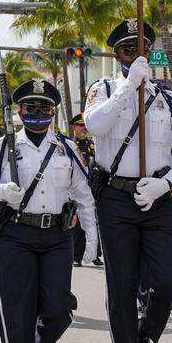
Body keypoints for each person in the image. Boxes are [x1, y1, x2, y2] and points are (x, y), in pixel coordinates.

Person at [83, 19, 172, 343]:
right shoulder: (104, 90)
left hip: (156, 199)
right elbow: (95, 126)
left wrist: (168, 183)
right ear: (118, 56)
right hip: (116, 198)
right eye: (129, 50)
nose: (136, 55)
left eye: (142, 48)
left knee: (168, 281)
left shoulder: (168, 99)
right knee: (122, 289)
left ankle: (144, 334)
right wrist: (130, 86)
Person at [0, 78, 98, 343]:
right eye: (31, 107)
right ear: (19, 111)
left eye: (45, 108)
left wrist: (92, 238)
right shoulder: (2, 146)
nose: (38, 113)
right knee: (17, 316)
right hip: (14, 237)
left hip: (56, 237)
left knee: (58, 308)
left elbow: (84, 194)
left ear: (54, 112)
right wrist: (1, 191)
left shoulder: (66, 148)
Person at [68, 114, 102, 268]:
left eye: (85, 125)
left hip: (93, 187)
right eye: (80, 125)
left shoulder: (93, 145)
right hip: (75, 188)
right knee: (77, 222)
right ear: (74, 127)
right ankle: (77, 255)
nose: (84, 128)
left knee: (95, 221)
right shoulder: (69, 145)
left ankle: (96, 254)